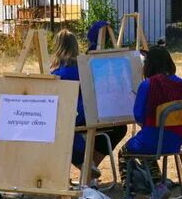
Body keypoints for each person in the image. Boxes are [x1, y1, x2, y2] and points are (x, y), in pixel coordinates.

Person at [123, 45, 182, 199]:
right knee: (145, 149)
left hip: (154, 139)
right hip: (176, 141)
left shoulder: (148, 85)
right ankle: (158, 187)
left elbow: (139, 116)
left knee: (126, 152)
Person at [50, 30, 126, 180]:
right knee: (119, 128)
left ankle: (86, 166)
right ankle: (89, 167)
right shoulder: (86, 67)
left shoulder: (58, 73)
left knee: (62, 130)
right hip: (96, 116)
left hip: (75, 119)